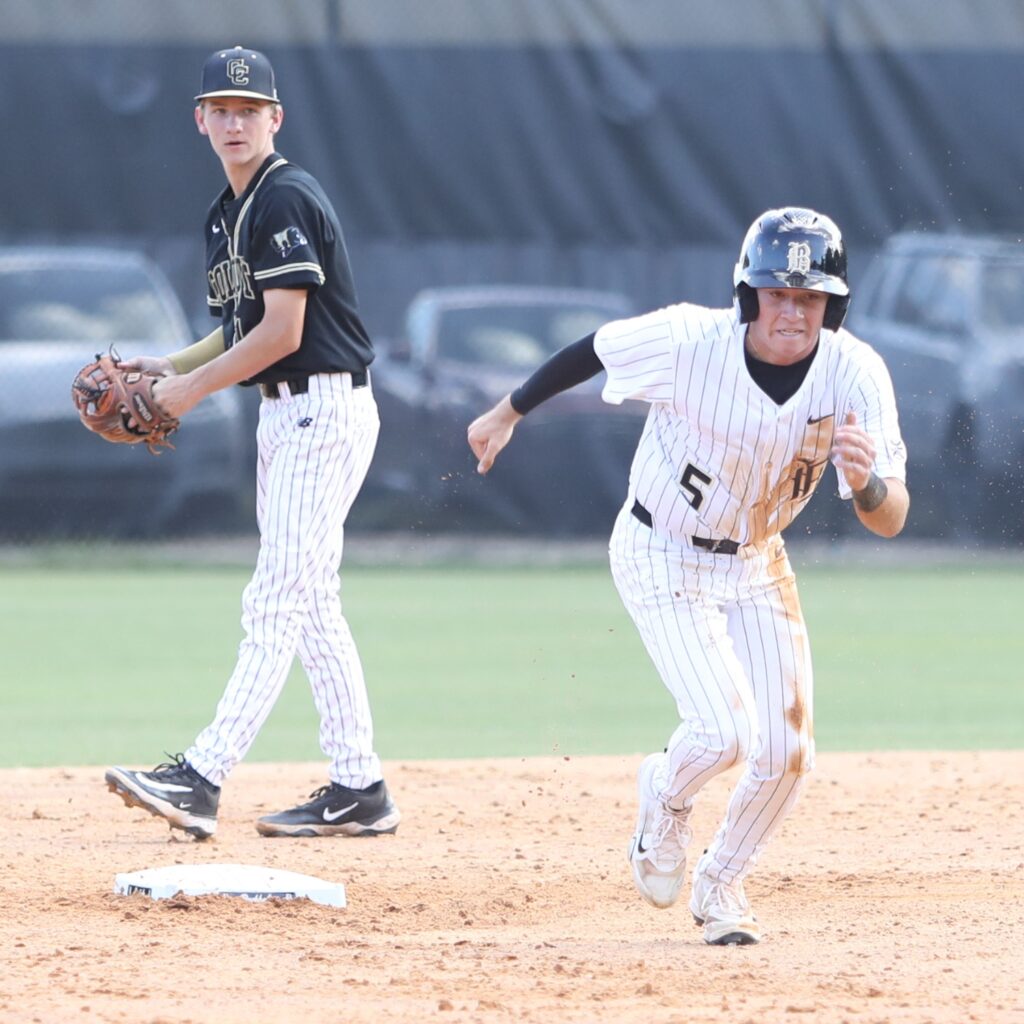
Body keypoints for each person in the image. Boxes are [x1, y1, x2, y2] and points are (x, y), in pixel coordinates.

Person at [467, 207, 908, 944]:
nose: (793, 311)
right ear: (747, 296)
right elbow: (595, 350)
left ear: (833, 304)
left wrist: (865, 485)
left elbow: (889, 516)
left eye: (810, 297)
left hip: (759, 562)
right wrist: (507, 412)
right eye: (777, 293)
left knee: (790, 753)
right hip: (660, 548)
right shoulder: (689, 340)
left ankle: (723, 884)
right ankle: (665, 800)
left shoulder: (855, 373)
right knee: (724, 731)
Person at [105, 46, 399, 841]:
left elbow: (284, 331)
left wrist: (187, 393)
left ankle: (202, 776)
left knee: (276, 598)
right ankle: (359, 786)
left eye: (249, 110)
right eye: (221, 110)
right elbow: (238, 327)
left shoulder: (285, 198)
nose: (235, 123)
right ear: (199, 120)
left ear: (276, 119)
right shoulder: (226, 213)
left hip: (321, 411)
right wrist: (174, 364)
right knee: (311, 605)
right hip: (289, 416)